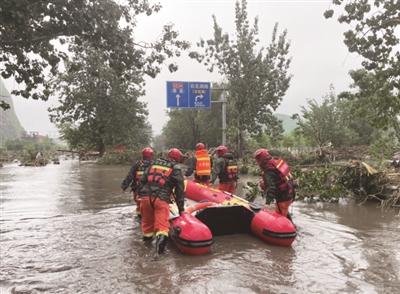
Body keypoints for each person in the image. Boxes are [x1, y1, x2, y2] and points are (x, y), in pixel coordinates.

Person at [137, 148, 185, 255]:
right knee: (163, 228)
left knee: (147, 229)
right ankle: (158, 258)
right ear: (177, 158)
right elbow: (180, 191)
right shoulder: (176, 168)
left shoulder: (153, 164)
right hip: (161, 199)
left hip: (145, 199)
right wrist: (181, 209)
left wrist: (141, 195)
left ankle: (145, 251)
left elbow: (142, 181)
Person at [254, 148, 295, 219]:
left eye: (257, 160)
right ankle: (293, 227)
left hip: (283, 196)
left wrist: (267, 203)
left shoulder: (268, 170)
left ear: (260, 159)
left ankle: (288, 229)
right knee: (283, 212)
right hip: (290, 192)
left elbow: (271, 188)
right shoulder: (276, 161)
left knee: (281, 217)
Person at [121, 147, 154, 218]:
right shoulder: (154, 164)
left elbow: (130, 176)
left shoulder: (137, 164)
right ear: (151, 155)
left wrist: (124, 186)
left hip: (137, 190)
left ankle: (140, 215)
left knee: (139, 206)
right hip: (151, 190)